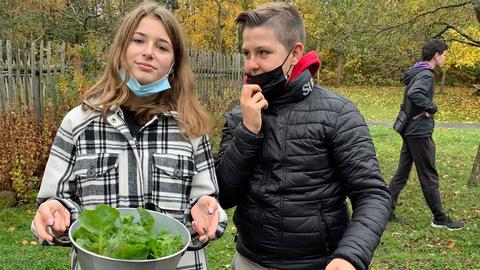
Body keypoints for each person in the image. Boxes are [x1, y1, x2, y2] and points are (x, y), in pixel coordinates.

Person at [31, 2, 227, 269]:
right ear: (120, 51)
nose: (148, 52)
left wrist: (207, 211)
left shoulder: (190, 128)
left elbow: (206, 202)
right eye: (138, 40)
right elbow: (56, 201)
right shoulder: (78, 123)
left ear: (173, 63)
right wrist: (55, 214)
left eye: (162, 46)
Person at [215, 2, 391, 270]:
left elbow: (372, 194)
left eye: (263, 52)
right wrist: (248, 132)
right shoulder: (239, 116)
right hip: (249, 260)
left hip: (319, 262)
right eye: (246, 53)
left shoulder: (338, 113)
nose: (251, 65)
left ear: (295, 53)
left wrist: (351, 255)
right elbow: (224, 195)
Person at [388, 39, 464, 230]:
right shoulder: (426, 75)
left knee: (402, 173)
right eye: (444, 54)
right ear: (436, 55)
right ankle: (439, 218)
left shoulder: (417, 70)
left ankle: (386, 211)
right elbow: (415, 94)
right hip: (419, 131)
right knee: (429, 174)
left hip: (410, 130)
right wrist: (432, 107)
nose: (445, 58)